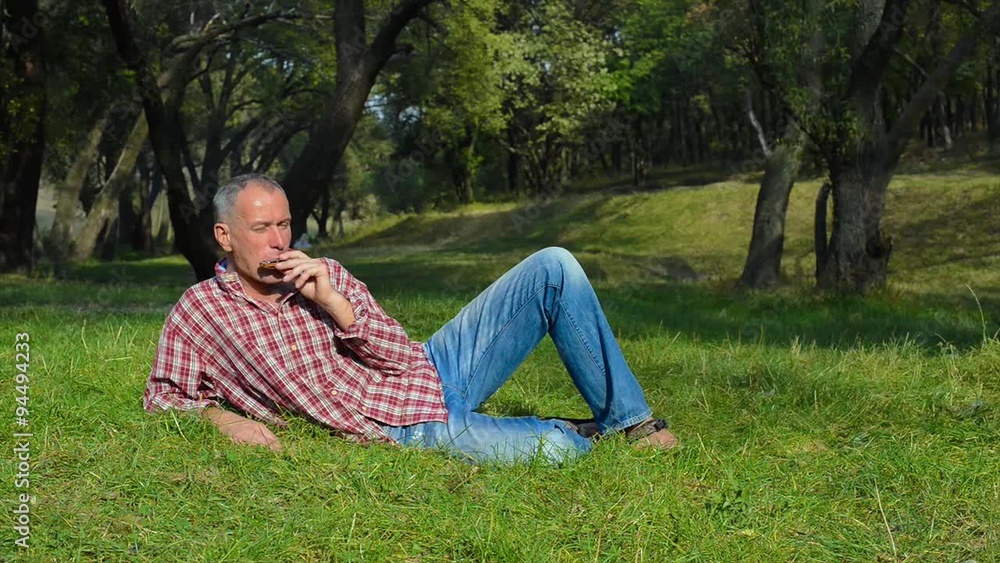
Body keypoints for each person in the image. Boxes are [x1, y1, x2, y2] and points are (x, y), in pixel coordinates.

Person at [144, 173, 679, 464]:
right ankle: (572, 431)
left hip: (429, 369)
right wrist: (225, 419)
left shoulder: (321, 273)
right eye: (262, 228)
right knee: (559, 453)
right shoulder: (200, 314)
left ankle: (629, 421)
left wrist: (333, 302)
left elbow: (401, 354)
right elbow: (164, 397)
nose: (280, 241)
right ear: (224, 236)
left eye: (285, 224)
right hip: (395, 424)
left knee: (554, 266)